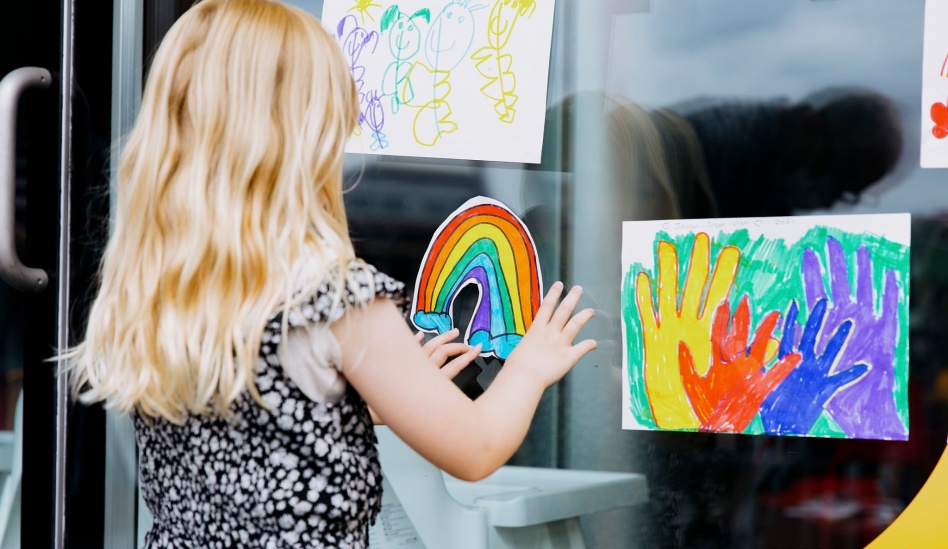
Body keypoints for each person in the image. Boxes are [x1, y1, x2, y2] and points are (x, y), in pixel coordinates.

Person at [62, 1, 597, 547]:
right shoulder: (335, 298)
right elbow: (477, 448)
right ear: (301, 139)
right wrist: (529, 365)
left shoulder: (157, 286)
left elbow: (254, 426)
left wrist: (369, 403)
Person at [676, 88, 903, 218]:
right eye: (837, 176)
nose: (828, 202)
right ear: (810, 127)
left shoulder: (773, 186)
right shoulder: (706, 147)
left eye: (847, 193)